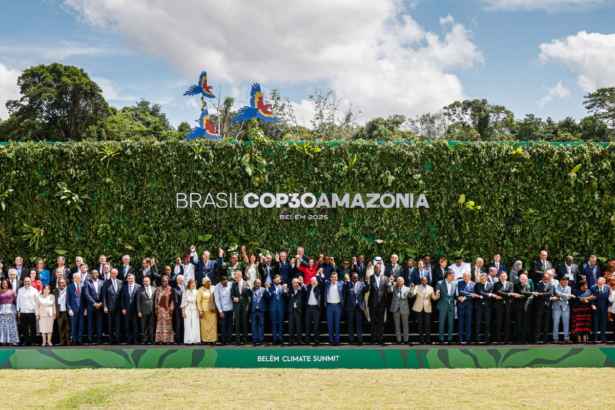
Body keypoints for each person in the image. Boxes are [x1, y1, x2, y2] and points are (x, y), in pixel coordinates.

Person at [493, 272, 520, 345]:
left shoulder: (510, 284)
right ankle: (498, 340)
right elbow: (498, 292)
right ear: (499, 277)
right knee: (499, 323)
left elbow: (511, 293)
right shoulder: (496, 284)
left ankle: (506, 339)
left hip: (508, 306)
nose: (503, 277)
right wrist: (508, 294)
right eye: (501, 276)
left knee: (507, 323)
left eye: (504, 276)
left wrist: (508, 294)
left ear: (507, 277)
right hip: (499, 306)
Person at [343, 272, 368, 345]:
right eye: (354, 277)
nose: (355, 279)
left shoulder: (361, 283)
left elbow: (366, 289)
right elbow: (345, 290)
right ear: (351, 277)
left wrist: (367, 281)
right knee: (350, 324)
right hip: (350, 306)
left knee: (359, 324)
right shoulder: (348, 283)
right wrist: (347, 281)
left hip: (358, 307)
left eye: (356, 277)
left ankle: (359, 339)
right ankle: (351, 339)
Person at [410, 276, 436, 344]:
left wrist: (438, 295)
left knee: (427, 324)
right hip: (419, 308)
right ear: (421, 281)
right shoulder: (417, 287)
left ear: (427, 281)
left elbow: (434, 298)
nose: (424, 281)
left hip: (427, 307)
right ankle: (421, 339)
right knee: (420, 324)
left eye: (425, 280)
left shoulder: (431, 288)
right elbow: (413, 295)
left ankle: (428, 339)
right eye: (423, 280)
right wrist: (411, 289)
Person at [387, 276, 411, 345]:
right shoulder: (394, 287)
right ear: (397, 282)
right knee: (397, 325)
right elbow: (389, 290)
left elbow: (410, 295)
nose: (401, 282)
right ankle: (399, 339)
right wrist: (390, 282)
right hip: (395, 308)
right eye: (400, 281)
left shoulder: (407, 288)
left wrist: (411, 290)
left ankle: (406, 339)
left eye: (402, 281)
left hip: (404, 308)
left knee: (405, 325)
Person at [367, 264, 388, 345]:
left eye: (378, 268)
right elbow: (367, 289)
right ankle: (373, 338)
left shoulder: (385, 278)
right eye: (375, 268)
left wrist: (391, 283)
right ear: (374, 269)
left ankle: (380, 338)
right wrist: (367, 282)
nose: (377, 269)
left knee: (381, 322)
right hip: (372, 303)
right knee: (372, 322)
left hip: (381, 304)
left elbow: (388, 289)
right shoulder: (370, 277)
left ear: (380, 269)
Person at [435, 270, 457, 344]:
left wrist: (459, 298)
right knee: (442, 323)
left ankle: (450, 339)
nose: (454, 278)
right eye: (453, 276)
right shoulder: (440, 283)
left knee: (451, 323)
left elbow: (455, 296)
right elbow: (437, 294)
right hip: (442, 306)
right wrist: (437, 293)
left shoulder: (454, 284)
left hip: (451, 306)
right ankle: (441, 339)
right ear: (448, 275)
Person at [102, 268, 123, 345]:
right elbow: (104, 296)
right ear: (110, 273)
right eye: (112, 273)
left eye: (115, 273)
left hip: (118, 306)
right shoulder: (106, 283)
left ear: (117, 274)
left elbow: (122, 295)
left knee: (118, 324)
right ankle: (111, 339)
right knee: (110, 324)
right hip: (109, 306)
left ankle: (117, 339)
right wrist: (105, 306)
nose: (113, 274)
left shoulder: (121, 282)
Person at [83, 269, 104, 345]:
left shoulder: (102, 282)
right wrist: (94, 303)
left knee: (99, 324)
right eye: (93, 273)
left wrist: (101, 303)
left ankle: (99, 340)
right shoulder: (87, 282)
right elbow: (86, 294)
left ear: (98, 274)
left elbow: (104, 294)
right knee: (90, 324)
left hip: (100, 306)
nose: (94, 274)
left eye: (96, 273)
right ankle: (90, 339)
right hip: (91, 306)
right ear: (91, 275)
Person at [323, 271, 343, 346]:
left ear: (337, 278)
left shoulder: (341, 283)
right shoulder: (327, 283)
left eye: (335, 277)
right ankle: (331, 340)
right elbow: (321, 280)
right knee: (330, 324)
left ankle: (337, 340)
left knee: (337, 324)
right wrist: (320, 273)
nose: (334, 278)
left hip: (338, 306)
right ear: (330, 278)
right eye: (333, 277)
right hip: (329, 306)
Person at [456, 271, 477, 344]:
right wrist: (470, 295)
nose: (464, 277)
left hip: (469, 306)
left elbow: (474, 294)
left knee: (468, 323)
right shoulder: (460, 283)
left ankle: (468, 339)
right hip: (461, 306)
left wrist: (465, 297)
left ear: (469, 276)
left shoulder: (474, 284)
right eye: (463, 276)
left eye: (465, 276)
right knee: (460, 323)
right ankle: (460, 339)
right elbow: (461, 292)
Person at [247, 278, 269, 346]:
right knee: (253, 326)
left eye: (259, 283)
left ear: (261, 284)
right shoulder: (251, 289)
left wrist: (267, 288)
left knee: (261, 325)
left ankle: (261, 339)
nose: (257, 284)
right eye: (256, 283)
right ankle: (255, 340)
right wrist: (249, 287)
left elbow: (268, 295)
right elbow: (247, 294)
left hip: (261, 310)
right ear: (254, 284)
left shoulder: (263, 289)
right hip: (253, 310)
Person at [153, 275, 174, 345]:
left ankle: (168, 340)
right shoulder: (158, 289)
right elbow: (156, 300)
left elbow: (172, 300)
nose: (164, 282)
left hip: (167, 310)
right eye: (163, 281)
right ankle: (160, 339)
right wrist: (156, 308)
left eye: (165, 281)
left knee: (168, 325)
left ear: (168, 281)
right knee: (160, 326)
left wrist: (171, 309)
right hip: (160, 310)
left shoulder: (170, 289)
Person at [513, 274, 534, 344]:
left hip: (526, 306)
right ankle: (517, 339)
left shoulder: (528, 285)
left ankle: (524, 339)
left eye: (526, 279)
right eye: (524, 279)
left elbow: (527, 294)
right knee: (518, 323)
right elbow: (521, 292)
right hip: (518, 307)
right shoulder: (516, 285)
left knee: (524, 324)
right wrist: (528, 294)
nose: (526, 280)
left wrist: (522, 296)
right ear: (520, 279)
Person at [533, 273, 554, 344]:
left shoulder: (550, 285)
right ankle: (536, 338)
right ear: (542, 278)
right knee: (538, 323)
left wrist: (542, 294)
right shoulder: (538, 284)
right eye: (545, 279)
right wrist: (545, 296)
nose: (546, 280)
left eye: (548, 279)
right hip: (540, 306)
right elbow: (538, 295)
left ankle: (545, 339)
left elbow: (550, 293)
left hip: (547, 306)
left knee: (546, 323)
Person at [121, 273, 141, 345]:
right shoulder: (124, 287)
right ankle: (128, 339)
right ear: (127, 279)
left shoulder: (138, 287)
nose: (130, 280)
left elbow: (140, 299)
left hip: (135, 310)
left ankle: (136, 339)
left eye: (132, 278)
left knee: (135, 325)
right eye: (129, 278)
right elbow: (122, 299)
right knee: (127, 326)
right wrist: (123, 308)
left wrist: (139, 310)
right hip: (127, 310)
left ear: (134, 279)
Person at [552, 276, 574, 343]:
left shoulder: (568, 288)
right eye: (565, 282)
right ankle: (555, 338)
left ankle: (566, 338)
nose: (566, 283)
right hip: (556, 307)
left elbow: (568, 298)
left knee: (566, 323)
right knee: (555, 323)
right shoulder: (556, 286)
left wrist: (560, 298)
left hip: (565, 308)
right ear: (561, 281)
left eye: (567, 282)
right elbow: (557, 293)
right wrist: (567, 295)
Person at [196, 277, 217, 345]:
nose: (210, 282)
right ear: (204, 282)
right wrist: (200, 311)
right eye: (208, 281)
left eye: (210, 281)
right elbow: (198, 301)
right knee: (204, 326)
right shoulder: (200, 290)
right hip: (204, 310)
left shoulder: (213, 288)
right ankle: (205, 339)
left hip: (212, 309)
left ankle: (213, 339)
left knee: (213, 325)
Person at [267, 275, 288, 345]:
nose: (277, 281)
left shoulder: (283, 287)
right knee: (273, 324)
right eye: (276, 279)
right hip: (272, 308)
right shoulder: (270, 287)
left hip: (281, 308)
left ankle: (280, 338)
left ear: (280, 280)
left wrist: (285, 290)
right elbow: (267, 296)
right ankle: (274, 339)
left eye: (278, 280)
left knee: (281, 324)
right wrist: (267, 289)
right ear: (273, 280)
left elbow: (286, 295)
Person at [475, 273, 495, 344]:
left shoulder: (491, 284)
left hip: (488, 306)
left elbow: (489, 295)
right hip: (479, 306)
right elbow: (480, 292)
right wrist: (489, 294)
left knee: (487, 323)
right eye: (480, 279)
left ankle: (487, 339)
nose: (481, 280)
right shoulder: (477, 284)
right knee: (478, 323)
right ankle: (477, 339)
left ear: (486, 278)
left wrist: (488, 295)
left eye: (482, 279)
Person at [65, 272, 85, 345]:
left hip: (82, 309)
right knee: (74, 325)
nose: (80, 279)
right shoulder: (69, 287)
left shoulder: (83, 285)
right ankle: (74, 340)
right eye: (79, 278)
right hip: (73, 309)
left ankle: (80, 339)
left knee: (81, 325)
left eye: (80, 278)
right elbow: (68, 299)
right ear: (74, 278)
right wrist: (69, 309)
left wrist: (85, 309)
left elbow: (85, 298)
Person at [231, 270, 250, 345]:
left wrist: (249, 287)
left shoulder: (246, 283)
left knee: (245, 323)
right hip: (237, 306)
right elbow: (231, 296)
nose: (235, 278)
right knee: (237, 323)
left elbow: (250, 294)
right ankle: (237, 340)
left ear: (240, 276)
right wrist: (234, 298)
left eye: (236, 277)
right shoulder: (234, 284)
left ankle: (245, 339)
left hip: (245, 306)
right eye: (235, 277)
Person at [302, 276, 322, 345]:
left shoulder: (319, 287)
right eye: (312, 281)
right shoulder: (308, 286)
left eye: (315, 280)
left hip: (316, 308)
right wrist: (301, 283)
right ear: (310, 282)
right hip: (308, 308)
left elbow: (322, 282)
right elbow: (303, 289)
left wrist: (319, 275)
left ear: (317, 281)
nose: (313, 282)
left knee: (316, 326)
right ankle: (307, 341)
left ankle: (316, 341)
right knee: (307, 325)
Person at [214, 276, 233, 345]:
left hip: (231, 308)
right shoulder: (217, 287)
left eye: (226, 282)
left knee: (230, 324)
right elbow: (217, 300)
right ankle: (223, 340)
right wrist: (220, 311)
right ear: (220, 281)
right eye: (224, 283)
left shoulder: (230, 284)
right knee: (223, 325)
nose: (225, 283)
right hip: (223, 309)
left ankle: (229, 340)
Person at [0, 277, 19, 346]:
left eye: (6, 283)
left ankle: (12, 341)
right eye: (3, 283)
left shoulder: (12, 292)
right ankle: (4, 341)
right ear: (1, 284)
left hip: (11, 310)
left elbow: (16, 301)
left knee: (11, 326)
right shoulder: (0, 292)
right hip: (2, 310)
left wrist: (17, 310)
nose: (5, 284)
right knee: (3, 326)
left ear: (8, 284)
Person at [137, 277, 156, 345]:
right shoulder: (140, 290)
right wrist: (139, 311)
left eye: (146, 281)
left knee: (152, 326)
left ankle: (151, 339)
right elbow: (138, 302)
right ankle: (144, 339)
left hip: (152, 310)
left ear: (150, 281)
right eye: (144, 281)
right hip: (143, 311)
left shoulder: (154, 289)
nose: (145, 282)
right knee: (144, 326)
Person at [591, 277, 610, 343]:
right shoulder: (593, 287)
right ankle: (595, 338)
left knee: (603, 323)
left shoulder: (608, 288)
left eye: (600, 283)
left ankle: (603, 338)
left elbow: (609, 298)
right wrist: (592, 304)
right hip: (596, 308)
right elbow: (591, 298)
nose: (599, 284)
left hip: (604, 308)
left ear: (604, 282)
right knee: (595, 323)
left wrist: (609, 306)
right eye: (598, 283)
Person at [181, 279, 200, 344]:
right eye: (192, 284)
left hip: (195, 309)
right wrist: (183, 312)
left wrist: (200, 311)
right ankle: (188, 340)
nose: (193, 285)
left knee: (195, 324)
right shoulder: (185, 292)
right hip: (187, 310)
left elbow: (198, 302)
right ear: (189, 284)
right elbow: (183, 303)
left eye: (194, 284)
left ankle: (195, 339)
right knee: (187, 324)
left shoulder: (197, 292)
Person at [287, 278, 305, 345]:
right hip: (291, 310)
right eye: (294, 283)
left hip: (298, 310)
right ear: (292, 284)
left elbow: (305, 290)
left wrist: (301, 283)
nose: (295, 284)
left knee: (298, 326)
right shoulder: (289, 289)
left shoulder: (301, 289)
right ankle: (291, 340)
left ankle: (299, 340)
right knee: (291, 325)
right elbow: (285, 294)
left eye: (296, 283)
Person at [172, 275, 186, 345]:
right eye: (181, 279)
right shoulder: (175, 289)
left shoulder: (185, 288)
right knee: (178, 325)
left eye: (183, 279)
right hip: (178, 311)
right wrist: (181, 309)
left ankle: (184, 339)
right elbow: (176, 302)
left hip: (185, 310)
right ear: (177, 281)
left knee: (184, 325)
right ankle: (178, 340)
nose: (183, 281)